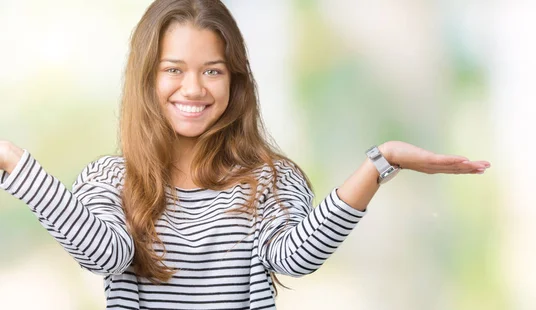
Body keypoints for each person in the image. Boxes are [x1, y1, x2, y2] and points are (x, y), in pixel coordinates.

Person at [0, 0, 490, 309]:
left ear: (235, 80)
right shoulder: (108, 179)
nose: (193, 88)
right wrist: (14, 162)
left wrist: (379, 162)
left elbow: (294, 258)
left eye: (212, 71)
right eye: (174, 69)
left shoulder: (268, 179)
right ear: (146, 78)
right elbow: (106, 254)